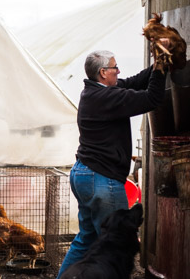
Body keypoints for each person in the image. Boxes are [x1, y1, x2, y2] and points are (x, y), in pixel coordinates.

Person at [56, 48, 167, 278]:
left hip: (84, 174)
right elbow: (153, 98)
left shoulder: (94, 91)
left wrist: (159, 62)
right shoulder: (107, 97)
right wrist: (161, 70)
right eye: (115, 67)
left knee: (86, 238)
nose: (119, 71)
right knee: (116, 247)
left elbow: (135, 81)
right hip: (101, 179)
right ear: (103, 73)